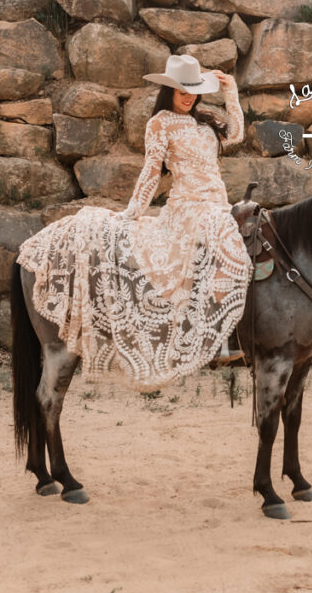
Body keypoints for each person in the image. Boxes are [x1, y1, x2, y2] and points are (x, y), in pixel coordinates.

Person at [16, 54, 253, 389]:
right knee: (215, 237)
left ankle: (237, 329)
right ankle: (216, 342)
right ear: (169, 90)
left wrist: (231, 92)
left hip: (217, 204)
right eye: (182, 90)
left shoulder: (206, 121)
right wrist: (132, 212)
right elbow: (151, 173)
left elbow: (236, 134)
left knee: (250, 233)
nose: (189, 96)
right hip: (187, 207)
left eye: (194, 90)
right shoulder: (159, 124)